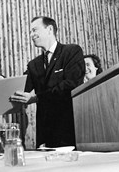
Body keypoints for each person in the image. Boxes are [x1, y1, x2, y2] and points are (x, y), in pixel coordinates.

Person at [10, 16, 85, 148]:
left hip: (69, 129)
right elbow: (20, 88)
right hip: (45, 133)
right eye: (30, 31)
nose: (31, 35)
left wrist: (36, 98)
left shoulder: (71, 51)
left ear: (49, 29)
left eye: (34, 30)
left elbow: (70, 85)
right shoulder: (34, 64)